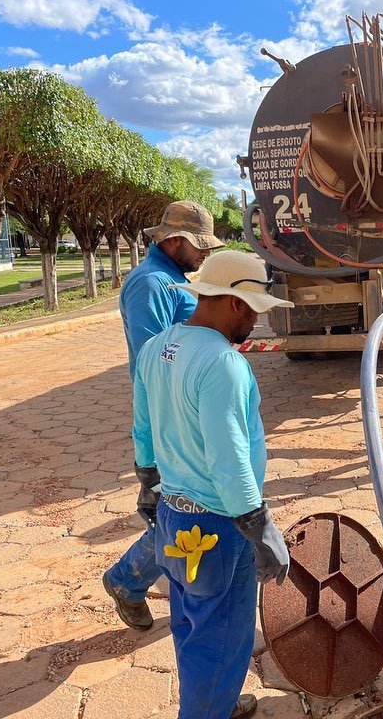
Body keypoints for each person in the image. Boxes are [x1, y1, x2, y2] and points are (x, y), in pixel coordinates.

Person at [133, 250, 293, 719]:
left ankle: (212, 703)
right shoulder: (223, 363)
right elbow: (229, 459)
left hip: (172, 515)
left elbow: (143, 427)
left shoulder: (156, 349)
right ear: (235, 304)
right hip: (220, 527)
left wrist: (147, 482)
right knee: (222, 638)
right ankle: (207, 709)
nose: (257, 322)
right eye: (257, 309)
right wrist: (261, 530)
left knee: (190, 625)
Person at [102, 200, 224, 631]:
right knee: (182, 513)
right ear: (174, 241)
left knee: (187, 511)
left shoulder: (172, 279)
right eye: (200, 246)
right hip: (166, 421)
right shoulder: (150, 285)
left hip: (183, 415)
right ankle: (126, 580)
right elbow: (155, 363)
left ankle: (133, 583)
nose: (205, 254)